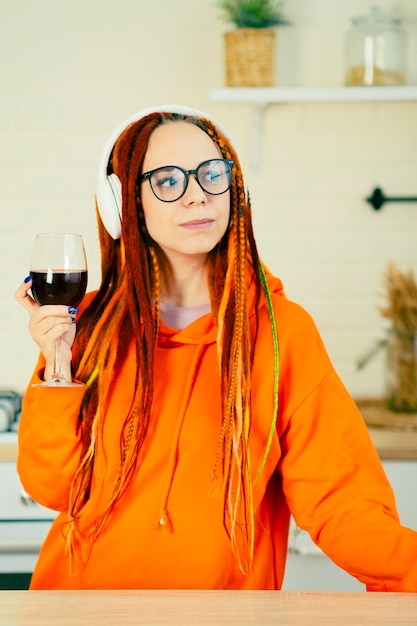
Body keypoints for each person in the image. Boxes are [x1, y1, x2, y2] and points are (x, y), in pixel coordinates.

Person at [15, 104, 417, 591]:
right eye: (167, 181)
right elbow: (52, 489)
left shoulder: (281, 334)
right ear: (124, 204)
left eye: (211, 174)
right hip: (76, 611)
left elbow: (343, 505)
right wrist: (59, 364)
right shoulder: (91, 324)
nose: (196, 197)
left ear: (235, 190)